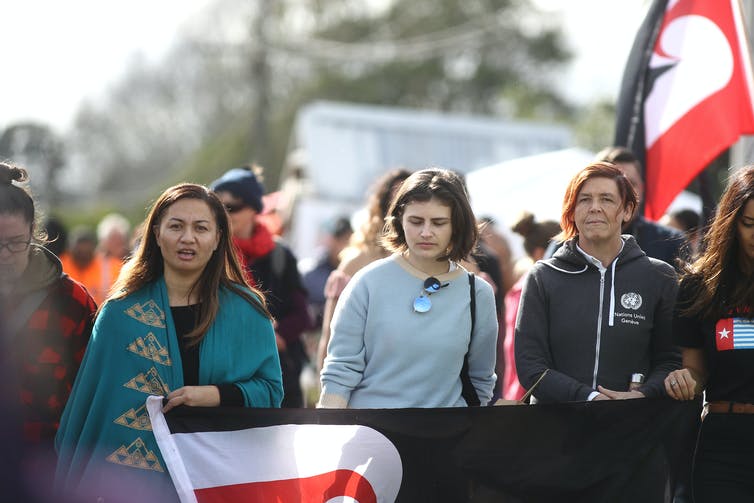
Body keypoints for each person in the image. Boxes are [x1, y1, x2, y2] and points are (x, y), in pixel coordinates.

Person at [55, 183, 283, 502]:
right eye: (176, 226)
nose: (187, 238)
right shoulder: (119, 315)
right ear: (157, 234)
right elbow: (89, 414)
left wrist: (214, 395)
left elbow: (271, 392)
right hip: (131, 489)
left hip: (219, 482)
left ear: (218, 238)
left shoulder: (247, 311)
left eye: (200, 228)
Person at [514, 161, 680, 502]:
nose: (594, 208)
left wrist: (642, 395)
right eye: (584, 199)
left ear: (627, 209)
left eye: (606, 198)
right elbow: (530, 366)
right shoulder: (543, 276)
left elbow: (671, 359)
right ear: (571, 211)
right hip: (553, 445)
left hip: (633, 445)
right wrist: (590, 399)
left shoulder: (659, 277)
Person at [318, 168, 498, 409]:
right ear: (399, 220)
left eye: (438, 222)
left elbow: (481, 381)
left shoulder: (478, 293)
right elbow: (340, 371)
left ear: (456, 225)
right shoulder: (367, 282)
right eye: (416, 221)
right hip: (371, 435)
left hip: (448, 440)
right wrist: (329, 430)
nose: (426, 232)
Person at [0, 162, 97, 494]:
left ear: (33, 232)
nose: (4, 255)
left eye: (15, 242)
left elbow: (92, 391)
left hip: (47, 468)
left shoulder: (71, 301)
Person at [664, 165, 754, 502]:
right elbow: (696, 369)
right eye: (749, 224)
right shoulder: (700, 285)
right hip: (722, 444)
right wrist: (683, 379)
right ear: (730, 225)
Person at [210, 166, 312, 408]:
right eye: (217, 207)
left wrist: (271, 337)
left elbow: (302, 315)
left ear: (254, 209)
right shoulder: (211, 252)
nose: (224, 213)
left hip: (278, 371)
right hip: (228, 372)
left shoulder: (280, 254)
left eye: (232, 206)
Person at [316, 168, 411, 372]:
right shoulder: (356, 262)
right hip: (365, 379)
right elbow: (331, 334)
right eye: (396, 200)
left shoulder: (434, 263)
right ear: (382, 206)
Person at [596, 146, 687, 267]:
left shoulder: (672, 243)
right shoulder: (571, 244)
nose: (624, 192)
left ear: (642, 189)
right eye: (615, 184)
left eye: (631, 184)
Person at [502, 212, 560, 401]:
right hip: (527, 396)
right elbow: (518, 354)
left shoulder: (520, 288)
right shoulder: (528, 291)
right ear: (540, 254)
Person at [300, 215, 353, 330]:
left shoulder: (355, 271)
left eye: (348, 240)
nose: (345, 246)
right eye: (342, 240)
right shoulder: (310, 271)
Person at [60, 225, 122, 304]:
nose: (83, 256)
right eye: (79, 253)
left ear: (94, 249)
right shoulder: (59, 266)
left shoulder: (111, 267)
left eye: (87, 253)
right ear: (69, 250)